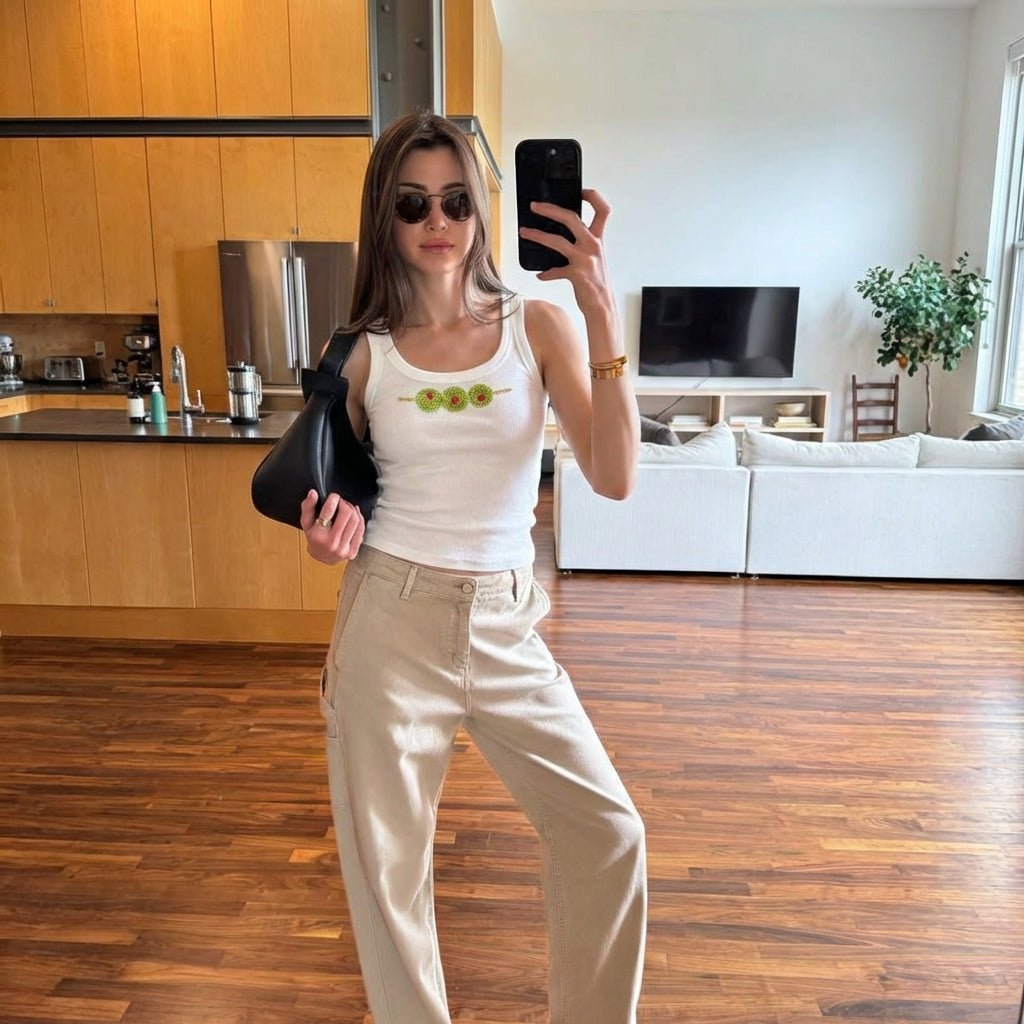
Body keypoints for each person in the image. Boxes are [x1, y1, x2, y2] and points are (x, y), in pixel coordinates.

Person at [299, 111, 647, 1024]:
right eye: (412, 203)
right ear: (384, 216)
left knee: (608, 832)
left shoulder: (538, 327)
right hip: (389, 620)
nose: (437, 221)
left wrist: (601, 307)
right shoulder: (362, 354)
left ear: (482, 212)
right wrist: (324, 538)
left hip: (506, 626)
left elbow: (614, 476)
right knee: (388, 878)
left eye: (456, 200)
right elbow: (343, 503)